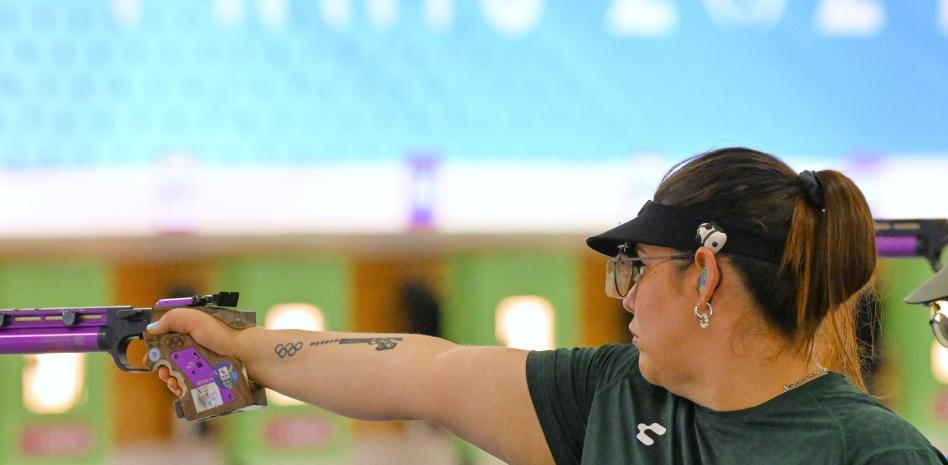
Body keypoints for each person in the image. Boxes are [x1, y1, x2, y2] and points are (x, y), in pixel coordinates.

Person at [148, 148, 948, 465]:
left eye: (637, 266)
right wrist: (241, 349)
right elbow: (421, 372)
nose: (625, 295)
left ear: (704, 274)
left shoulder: (875, 455)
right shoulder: (612, 394)